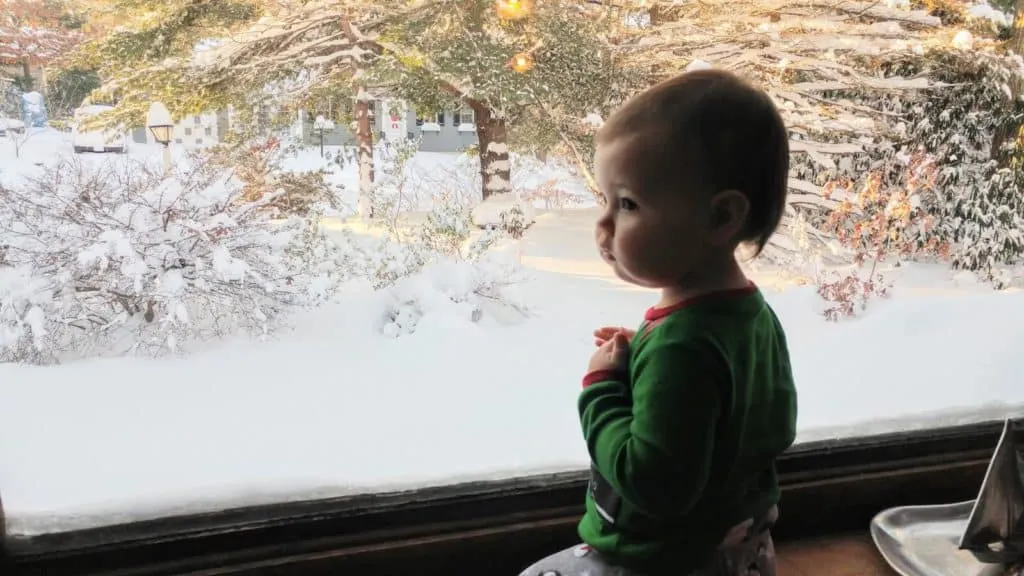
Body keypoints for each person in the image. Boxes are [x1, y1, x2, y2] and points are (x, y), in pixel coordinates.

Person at [517, 68, 798, 576]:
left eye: (627, 203)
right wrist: (647, 353)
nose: (602, 225)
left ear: (719, 218)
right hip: (742, 551)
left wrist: (602, 388)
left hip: (661, 562)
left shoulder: (682, 348)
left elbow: (652, 483)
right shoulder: (751, 314)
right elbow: (772, 424)